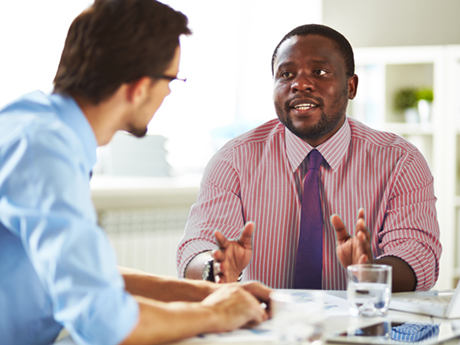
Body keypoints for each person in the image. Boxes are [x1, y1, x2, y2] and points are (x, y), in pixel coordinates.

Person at [0, 1, 271, 345]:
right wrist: (218, 313)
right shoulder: (45, 152)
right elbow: (105, 322)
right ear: (139, 87)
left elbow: (85, 277)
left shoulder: (34, 122)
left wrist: (202, 294)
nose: (170, 91)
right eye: (171, 79)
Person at [177, 24, 442, 292]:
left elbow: (419, 255)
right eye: (286, 74)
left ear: (351, 86)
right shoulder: (233, 160)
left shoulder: (401, 161)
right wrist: (216, 268)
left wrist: (370, 272)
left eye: (320, 72)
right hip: (266, 325)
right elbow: (196, 250)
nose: (299, 83)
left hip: (364, 326)